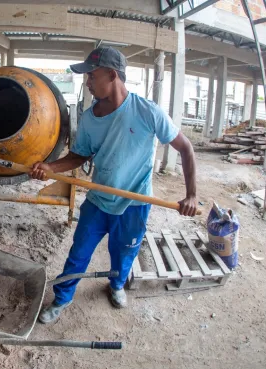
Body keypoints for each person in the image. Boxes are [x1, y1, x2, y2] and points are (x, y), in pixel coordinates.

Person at [30, 47, 197, 324]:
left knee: (124, 252)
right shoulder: (88, 118)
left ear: (112, 74)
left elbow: (186, 148)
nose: (87, 82)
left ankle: (117, 285)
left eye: (91, 76)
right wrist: (51, 168)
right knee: (79, 252)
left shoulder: (148, 112)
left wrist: (191, 195)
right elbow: (78, 156)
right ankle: (62, 298)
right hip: (99, 201)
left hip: (135, 204)